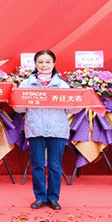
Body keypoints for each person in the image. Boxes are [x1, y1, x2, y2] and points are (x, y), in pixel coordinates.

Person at [16, 49, 72, 210]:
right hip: (35, 129)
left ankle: (53, 198)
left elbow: (71, 109)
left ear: (54, 64)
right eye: (40, 62)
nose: (44, 65)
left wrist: (81, 101)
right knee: (38, 165)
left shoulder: (63, 85)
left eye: (48, 62)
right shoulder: (26, 84)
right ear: (35, 64)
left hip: (57, 130)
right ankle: (40, 197)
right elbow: (20, 109)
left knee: (55, 165)